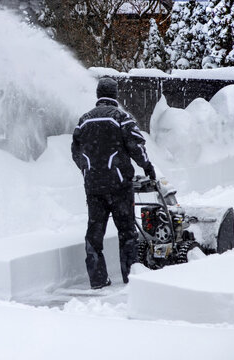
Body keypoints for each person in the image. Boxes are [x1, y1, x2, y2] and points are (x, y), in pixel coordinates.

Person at [71, 77, 155, 289]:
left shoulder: (84, 120)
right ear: (115, 95)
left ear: (99, 95)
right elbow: (136, 145)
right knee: (127, 232)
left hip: (93, 188)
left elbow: (75, 151)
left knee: (94, 234)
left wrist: (87, 169)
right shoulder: (121, 117)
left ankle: (98, 280)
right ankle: (130, 277)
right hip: (119, 187)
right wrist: (147, 167)